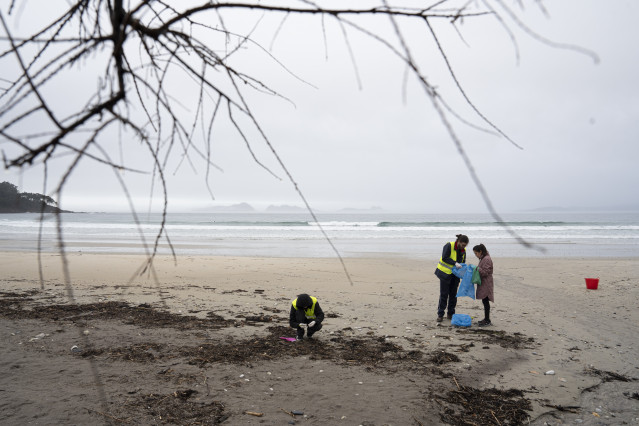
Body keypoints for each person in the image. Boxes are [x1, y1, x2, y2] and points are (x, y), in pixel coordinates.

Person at [434, 234, 468, 322]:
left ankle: (451, 314)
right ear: (459, 242)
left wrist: (464, 269)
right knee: (444, 294)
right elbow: (445, 258)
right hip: (445, 274)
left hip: (455, 276)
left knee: (453, 295)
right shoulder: (449, 245)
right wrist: (455, 263)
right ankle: (440, 314)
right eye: (463, 245)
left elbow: (463, 262)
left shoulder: (463, 250)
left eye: (465, 245)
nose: (464, 247)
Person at [473, 244, 494, 326]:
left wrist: (477, 268)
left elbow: (485, 272)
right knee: (484, 300)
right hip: (484, 282)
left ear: (480, 251)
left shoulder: (487, 259)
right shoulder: (483, 258)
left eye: (476, 253)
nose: (476, 255)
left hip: (486, 282)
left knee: (485, 301)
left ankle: (487, 320)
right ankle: (486, 318)